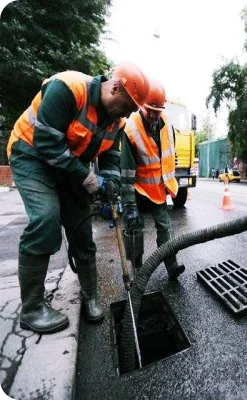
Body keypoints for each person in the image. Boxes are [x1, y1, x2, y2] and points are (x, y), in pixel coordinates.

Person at [6, 62, 151, 334]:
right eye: (128, 107)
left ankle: (90, 296)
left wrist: (110, 186)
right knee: (46, 218)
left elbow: (110, 158)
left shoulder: (116, 122)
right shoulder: (69, 88)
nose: (129, 115)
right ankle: (32, 308)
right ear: (115, 88)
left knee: (82, 231)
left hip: (69, 169)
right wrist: (88, 180)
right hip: (32, 156)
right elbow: (48, 144)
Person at [120, 78, 186, 280]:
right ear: (142, 106)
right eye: (149, 110)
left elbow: (167, 157)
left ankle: (171, 265)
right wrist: (129, 205)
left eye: (157, 111)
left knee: (165, 226)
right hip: (138, 188)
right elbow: (127, 172)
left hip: (157, 188)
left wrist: (169, 184)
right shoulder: (131, 129)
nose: (153, 115)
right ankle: (138, 270)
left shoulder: (167, 125)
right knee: (134, 227)